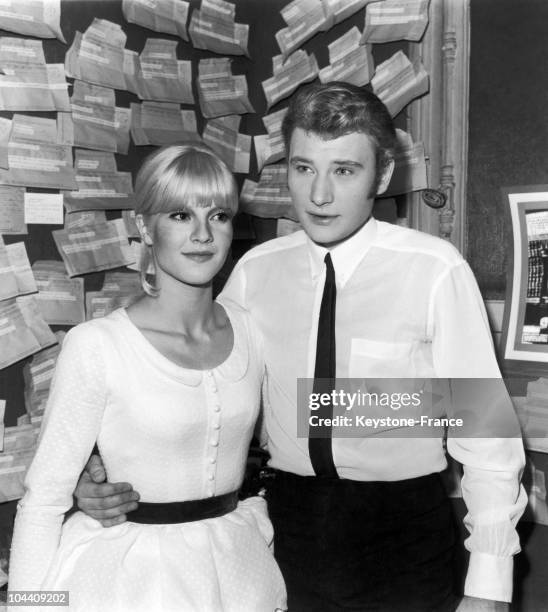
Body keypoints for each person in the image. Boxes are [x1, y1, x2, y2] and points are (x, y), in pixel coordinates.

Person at [74, 83, 526, 612]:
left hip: (403, 534)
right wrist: (96, 473)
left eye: (344, 170)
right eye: (304, 168)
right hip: (288, 530)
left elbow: (485, 436)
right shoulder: (254, 271)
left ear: (380, 175)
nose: (319, 196)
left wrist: (488, 585)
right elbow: (195, 394)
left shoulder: (433, 268)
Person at [8, 143, 287, 612]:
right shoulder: (97, 345)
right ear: (145, 227)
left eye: (218, 215)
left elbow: (303, 427)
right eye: (180, 215)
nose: (202, 234)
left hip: (237, 568)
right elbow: (42, 502)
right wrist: (28, 607)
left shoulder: (250, 328)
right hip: (128, 581)